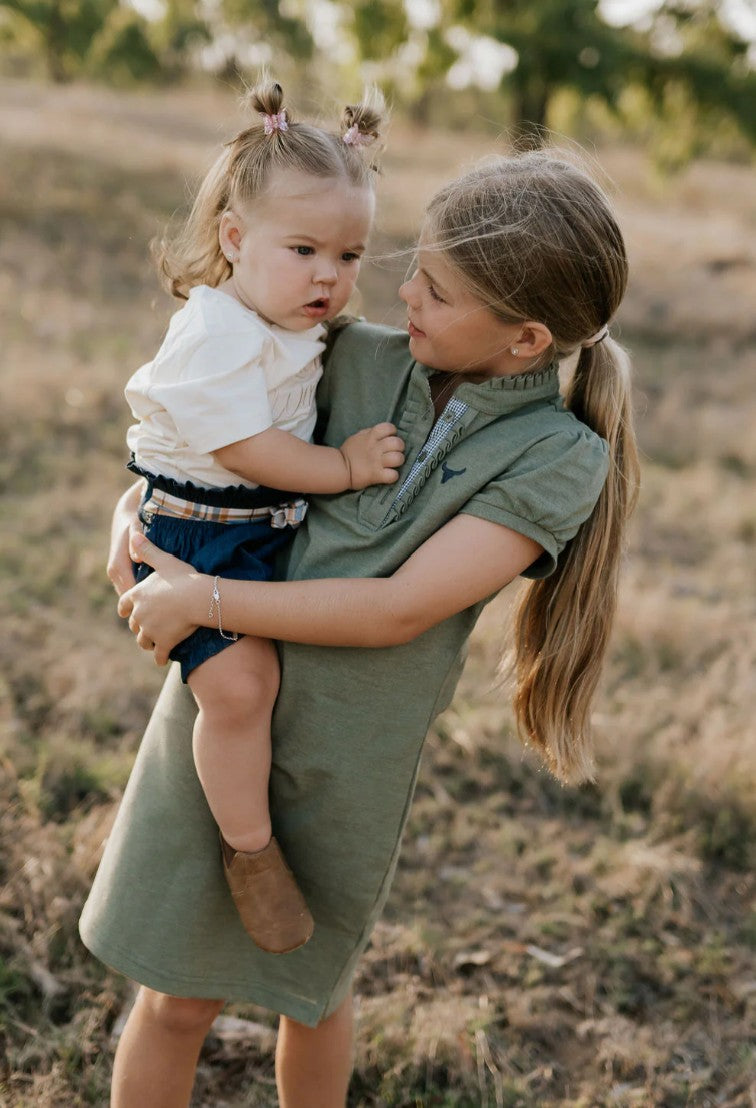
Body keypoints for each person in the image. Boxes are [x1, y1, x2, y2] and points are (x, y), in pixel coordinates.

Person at [80, 149, 640, 1108]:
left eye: (438, 289)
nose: (403, 290)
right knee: (174, 998)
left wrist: (205, 601)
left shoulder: (557, 457)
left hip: (351, 760)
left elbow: (397, 609)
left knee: (315, 996)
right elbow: (202, 439)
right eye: (415, 266)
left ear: (526, 338)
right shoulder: (350, 354)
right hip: (226, 719)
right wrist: (132, 515)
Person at [121, 79, 404, 954]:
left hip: (255, 525)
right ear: (234, 239)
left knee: (280, 679)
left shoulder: (290, 321)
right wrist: (343, 469)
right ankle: (251, 853)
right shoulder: (218, 329)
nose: (329, 275)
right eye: (305, 248)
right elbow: (247, 448)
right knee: (241, 691)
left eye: (350, 256)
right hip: (200, 532)